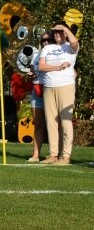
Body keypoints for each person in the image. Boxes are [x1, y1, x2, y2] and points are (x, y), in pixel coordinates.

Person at [38, 22, 79, 165]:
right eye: (54, 31)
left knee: (66, 121)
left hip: (65, 86)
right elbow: (41, 66)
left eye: (59, 31)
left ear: (65, 32)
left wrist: (65, 29)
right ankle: (53, 154)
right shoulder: (48, 48)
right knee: (51, 122)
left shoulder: (69, 47)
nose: (56, 33)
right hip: (49, 87)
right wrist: (58, 67)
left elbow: (74, 41)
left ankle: (66, 156)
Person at [28, 32, 51, 162]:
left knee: (54, 124)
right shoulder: (37, 55)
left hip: (50, 89)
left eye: (48, 40)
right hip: (37, 90)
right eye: (43, 40)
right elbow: (32, 70)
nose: (45, 42)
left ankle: (55, 154)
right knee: (38, 124)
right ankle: (35, 155)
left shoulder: (55, 54)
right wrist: (31, 74)